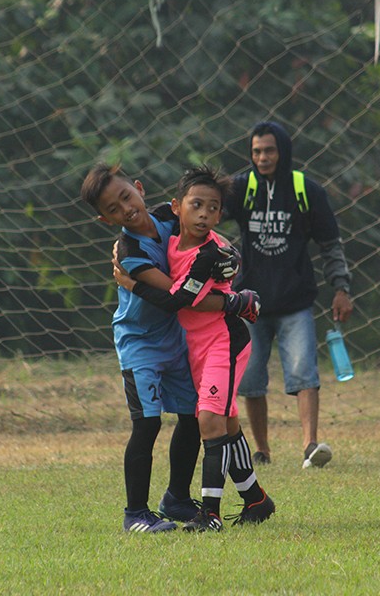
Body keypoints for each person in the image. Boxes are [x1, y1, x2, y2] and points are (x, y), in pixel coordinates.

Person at [113, 165, 274, 533]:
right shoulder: (160, 240)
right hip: (187, 346)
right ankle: (255, 500)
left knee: (206, 420)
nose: (203, 213)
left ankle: (210, 514)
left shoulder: (209, 253)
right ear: (177, 208)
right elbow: (147, 223)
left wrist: (131, 284)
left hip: (223, 341)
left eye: (213, 208)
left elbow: (179, 300)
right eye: (196, 205)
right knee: (226, 422)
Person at [81, 164, 239, 534]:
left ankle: (177, 499)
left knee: (190, 417)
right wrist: (233, 301)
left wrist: (227, 255)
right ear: (107, 219)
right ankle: (135, 514)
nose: (126, 208)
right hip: (140, 346)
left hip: (176, 338)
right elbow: (176, 294)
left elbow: (206, 230)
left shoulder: (171, 215)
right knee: (147, 423)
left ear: (138, 188)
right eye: (115, 208)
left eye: (126, 196)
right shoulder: (129, 249)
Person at [223, 121, 353, 469]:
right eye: (256, 152)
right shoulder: (240, 188)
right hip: (250, 303)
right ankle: (262, 450)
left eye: (269, 150)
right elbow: (203, 217)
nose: (262, 158)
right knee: (249, 378)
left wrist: (341, 289)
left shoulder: (305, 190)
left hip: (295, 302)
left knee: (303, 372)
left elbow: (330, 245)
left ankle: (310, 445)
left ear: (283, 152)